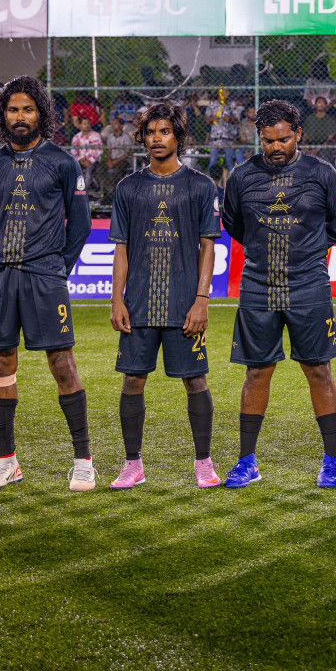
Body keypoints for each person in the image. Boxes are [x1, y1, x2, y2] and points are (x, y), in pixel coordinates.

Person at [221, 100, 336, 488]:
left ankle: (331, 460)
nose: (275, 147)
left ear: (298, 134)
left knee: (318, 370)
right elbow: (234, 225)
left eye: (282, 139)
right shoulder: (242, 177)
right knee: (257, 371)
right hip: (258, 285)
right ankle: (247, 462)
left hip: (309, 284)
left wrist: (306, 250)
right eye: (267, 141)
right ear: (258, 138)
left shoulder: (322, 173)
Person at [0, 75, 94, 491]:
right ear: (3, 116)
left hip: (45, 276)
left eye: (27, 109)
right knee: (0, 364)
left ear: (41, 113)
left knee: (62, 364)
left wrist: (56, 266)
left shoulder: (62, 162)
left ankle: (83, 459)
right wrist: (5, 257)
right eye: (12, 110)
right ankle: (7, 461)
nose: (20, 116)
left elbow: (79, 227)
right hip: (1, 276)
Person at [106, 102, 222, 490]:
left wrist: (201, 299)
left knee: (196, 381)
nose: (157, 138)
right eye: (150, 132)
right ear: (142, 137)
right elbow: (120, 248)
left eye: (164, 132)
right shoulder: (129, 187)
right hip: (138, 305)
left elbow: (209, 246)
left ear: (178, 137)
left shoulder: (201, 186)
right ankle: (132, 463)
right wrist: (116, 298)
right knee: (132, 381)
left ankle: (204, 461)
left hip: (183, 304)